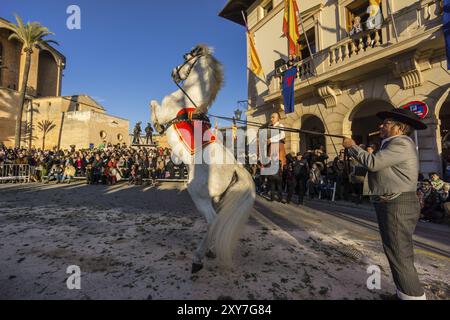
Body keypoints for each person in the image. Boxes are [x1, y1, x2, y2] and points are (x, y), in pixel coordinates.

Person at [343, 107, 428, 300]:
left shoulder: (401, 143)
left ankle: (414, 297)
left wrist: (352, 146)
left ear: (399, 127)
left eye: (387, 123)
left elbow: (373, 163)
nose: (381, 126)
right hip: (391, 203)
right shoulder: (391, 144)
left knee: (400, 255)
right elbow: (381, 171)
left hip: (397, 204)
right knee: (395, 253)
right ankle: (404, 294)